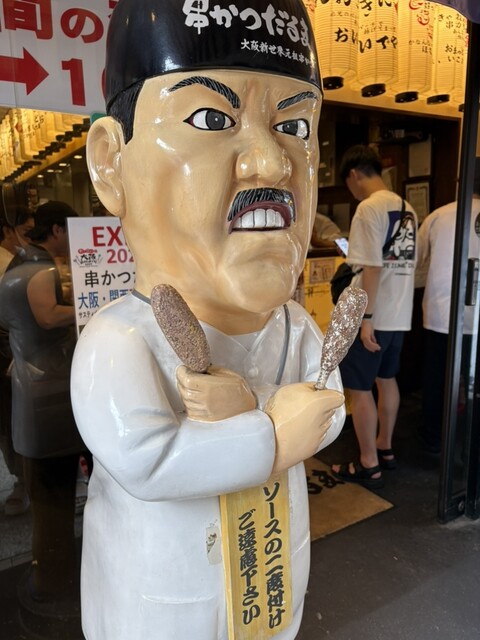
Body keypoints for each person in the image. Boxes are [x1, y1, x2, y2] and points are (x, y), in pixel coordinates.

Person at [71, 1, 346, 639]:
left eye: (295, 127)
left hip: (270, 572)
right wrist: (270, 435)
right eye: (210, 118)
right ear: (112, 163)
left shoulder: (294, 325)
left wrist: (257, 407)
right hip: (161, 599)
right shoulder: (121, 339)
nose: (272, 163)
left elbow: (325, 409)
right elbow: (148, 460)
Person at [0, 201, 86, 615]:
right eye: (72, 231)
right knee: (53, 498)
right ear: (57, 230)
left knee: (54, 495)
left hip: (41, 393)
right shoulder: (38, 269)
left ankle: (54, 576)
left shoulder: (23, 262)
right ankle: (53, 586)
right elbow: (48, 316)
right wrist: (96, 305)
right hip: (46, 400)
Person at [332, 145, 417, 488]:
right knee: (387, 379)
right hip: (399, 314)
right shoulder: (407, 209)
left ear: (354, 175)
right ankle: (385, 447)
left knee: (360, 388)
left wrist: (366, 318)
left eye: (348, 183)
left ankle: (368, 463)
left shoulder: (368, 208)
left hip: (372, 315)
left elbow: (372, 268)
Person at [416, 158, 480, 454]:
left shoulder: (439, 216)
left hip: (442, 314)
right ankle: (471, 443)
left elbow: (418, 259)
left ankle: (432, 437)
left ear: (460, 183)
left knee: (437, 378)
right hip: (476, 317)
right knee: (474, 383)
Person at [0, 206, 35, 516]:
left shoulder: (25, 260)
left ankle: (28, 479)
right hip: (7, 353)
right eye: (26, 232)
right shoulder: (10, 265)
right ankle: (21, 481)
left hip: (24, 350)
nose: (31, 238)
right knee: (9, 419)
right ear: (8, 232)